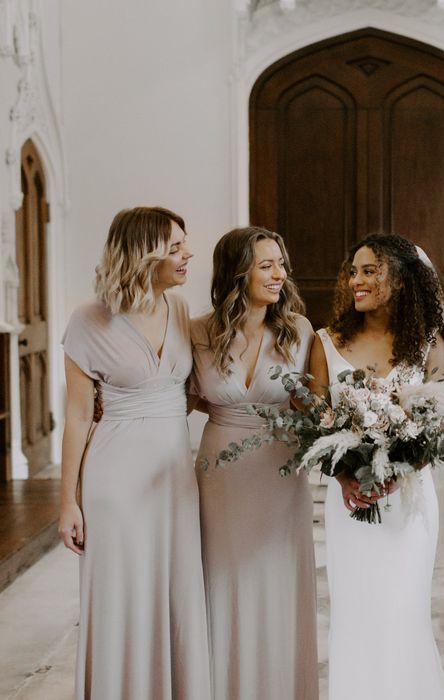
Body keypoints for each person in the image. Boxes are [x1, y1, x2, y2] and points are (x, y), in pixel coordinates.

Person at [57, 206, 210, 699]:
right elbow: (78, 418)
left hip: (173, 478)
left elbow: (190, 392)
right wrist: (67, 502)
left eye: (185, 243)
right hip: (115, 479)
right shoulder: (87, 320)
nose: (188, 254)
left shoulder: (182, 311)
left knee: (173, 590)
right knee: (121, 594)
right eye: (176, 246)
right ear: (144, 255)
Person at [308, 233, 444, 700]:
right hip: (350, 502)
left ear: (403, 279)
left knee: (402, 610)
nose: (357, 281)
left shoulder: (428, 345)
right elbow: (315, 422)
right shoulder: (325, 342)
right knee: (354, 613)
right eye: (354, 271)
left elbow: (441, 426)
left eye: (371, 271)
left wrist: (398, 471)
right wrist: (347, 475)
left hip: (408, 502)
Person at [190, 227, 318, 700]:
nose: (280, 275)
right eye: (267, 265)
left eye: (281, 264)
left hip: (280, 476)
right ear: (236, 271)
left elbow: (312, 404)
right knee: (222, 581)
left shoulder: (299, 330)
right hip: (220, 476)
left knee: (277, 582)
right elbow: (181, 398)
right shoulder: (198, 331)